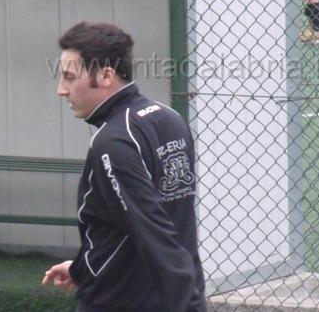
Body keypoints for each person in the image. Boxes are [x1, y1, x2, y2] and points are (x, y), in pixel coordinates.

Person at [42, 22, 206, 312]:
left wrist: (190, 306)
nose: (61, 90)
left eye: (69, 77)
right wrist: (83, 269)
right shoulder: (169, 117)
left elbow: (153, 229)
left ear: (106, 75)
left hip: (120, 300)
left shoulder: (113, 141)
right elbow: (135, 228)